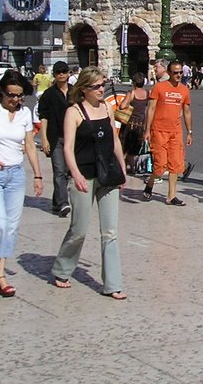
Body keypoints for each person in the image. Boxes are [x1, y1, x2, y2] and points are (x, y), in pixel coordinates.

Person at [51, 67, 126, 299]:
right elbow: (67, 147)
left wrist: (123, 169)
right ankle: (62, 268)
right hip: (85, 174)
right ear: (84, 89)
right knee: (79, 229)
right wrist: (76, 174)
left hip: (108, 174)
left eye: (103, 85)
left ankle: (112, 284)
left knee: (110, 231)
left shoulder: (106, 108)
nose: (101, 89)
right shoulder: (74, 112)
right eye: (96, 86)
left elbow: (114, 139)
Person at [0, 70, 43, 300]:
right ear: (1, 93)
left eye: (19, 95)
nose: (15, 100)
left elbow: (30, 145)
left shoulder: (23, 113)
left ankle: (0, 274)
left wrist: (38, 175)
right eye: (11, 95)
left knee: (11, 226)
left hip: (15, 174)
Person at [143, 60, 192, 206]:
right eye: (175, 73)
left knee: (175, 164)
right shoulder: (159, 87)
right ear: (169, 73)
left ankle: (171, 196)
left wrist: (190, 131)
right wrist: (147, 129)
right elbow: (151, 109)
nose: (178, 75)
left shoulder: (184, 90)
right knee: (160, 166)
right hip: (159, 130)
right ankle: (150, 183)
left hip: (175, 131)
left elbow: (187, 111)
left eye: (180, 72)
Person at [37, 61, 72, 217]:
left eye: (64, 71)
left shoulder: (75, 92)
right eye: (58, 72)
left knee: (66, 172)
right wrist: (43, 138)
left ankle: (57, 201)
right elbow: (43, 117)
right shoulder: (48, 95)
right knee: (59, 171)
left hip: (72, 138)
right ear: (55, 75)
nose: (61, 75)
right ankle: (64, 203)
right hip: (55, 137)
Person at [116, 72, 149, 174]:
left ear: (134, 82)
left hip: (130, 122)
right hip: (141, 122)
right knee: (134, 147)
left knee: (125, 146)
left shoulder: (132, 93)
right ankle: (132, 167)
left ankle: (128, 168)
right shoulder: (147, 93)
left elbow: (122, 106)